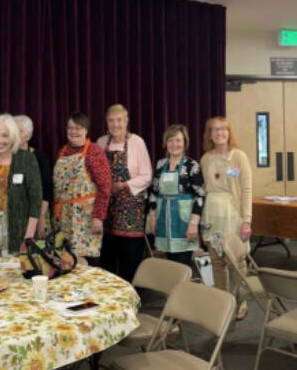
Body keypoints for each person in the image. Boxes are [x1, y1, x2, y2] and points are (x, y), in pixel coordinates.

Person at [200, 116, 252, 320]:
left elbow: (246, 188)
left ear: (229, 132)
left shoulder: (238, 157)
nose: (219, 132)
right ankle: (224, 301)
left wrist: (247, 219)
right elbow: (203, 189)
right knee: (217, 261)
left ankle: (241, 300)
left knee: (237, 261)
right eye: (214, 129)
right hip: (211, 214)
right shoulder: (206, 158)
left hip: (233, 214)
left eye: (223, 129)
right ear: (209, 134)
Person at [96, 104, 152, 281]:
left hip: (131, 213)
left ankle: (133, 299)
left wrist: (124, 185)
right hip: (107, 213)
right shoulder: (101, 142)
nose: (115, 124)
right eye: (111, 120)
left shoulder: (137, 142)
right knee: (107, 260)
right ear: (106, 122)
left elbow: (147, 175)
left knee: (131, 261)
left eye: (119, 120)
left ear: (126, 121)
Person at [0, 115, 42, 256]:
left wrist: (29, 235)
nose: (0, 141)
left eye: (5, 136)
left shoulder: (26, 159)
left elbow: (36, 200)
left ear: (13, 136)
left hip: (18, 230)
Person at [147, 124, 204, 278]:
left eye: (178, 140)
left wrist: (193, 224)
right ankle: (171, 298)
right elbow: (153, 193)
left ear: (185, 142)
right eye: (170, 140)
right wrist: (152, 218)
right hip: (163, 223)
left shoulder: (192, 166)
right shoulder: (160, 164)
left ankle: (182, 298)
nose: (174, 144)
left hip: (183, 223)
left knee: (182, 268)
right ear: (166, 143)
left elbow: (199, 196)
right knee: (169, 269)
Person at [53, 112, 111, 262]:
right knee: (66, 261)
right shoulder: (63, 151)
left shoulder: (94, 151)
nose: (73, 132)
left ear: (86, 130)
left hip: (86, 219)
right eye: (70, 128)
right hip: (64, 218)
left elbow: (104, 187)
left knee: (87, 262)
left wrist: (98, 217)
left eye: (78, 128)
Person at [14, 115, 53, 235]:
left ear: (28, 136)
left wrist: (40, 218)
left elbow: (47, 189)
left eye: (19, 131)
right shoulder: (4, 157)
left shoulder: (39, 157)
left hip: (37, 215)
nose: (14, 134)